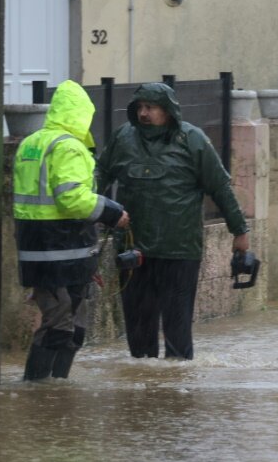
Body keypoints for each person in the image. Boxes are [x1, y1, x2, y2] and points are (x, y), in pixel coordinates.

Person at [96, 82, 249, 360]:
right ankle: (143, 395)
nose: (144, 113)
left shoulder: (193, 139)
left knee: (177, 331)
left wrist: (239, 232)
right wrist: (89, 213)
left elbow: (220, 188)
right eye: (139, 107)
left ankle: (175, 395)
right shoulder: (123, 139)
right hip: (134, 250)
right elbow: (99, 178)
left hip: (179, 251)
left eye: (150, 107)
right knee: (139, 336)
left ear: (168, 111)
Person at [13, 80, 129, 380]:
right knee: (61, 326)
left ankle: (54, 390)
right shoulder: (69, 147)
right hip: (63, 247)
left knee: (71, 327)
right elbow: (71, 198)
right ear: (81, 115)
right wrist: (113, 212)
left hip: (40, 248)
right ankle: (39, 391)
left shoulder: (31, 142)